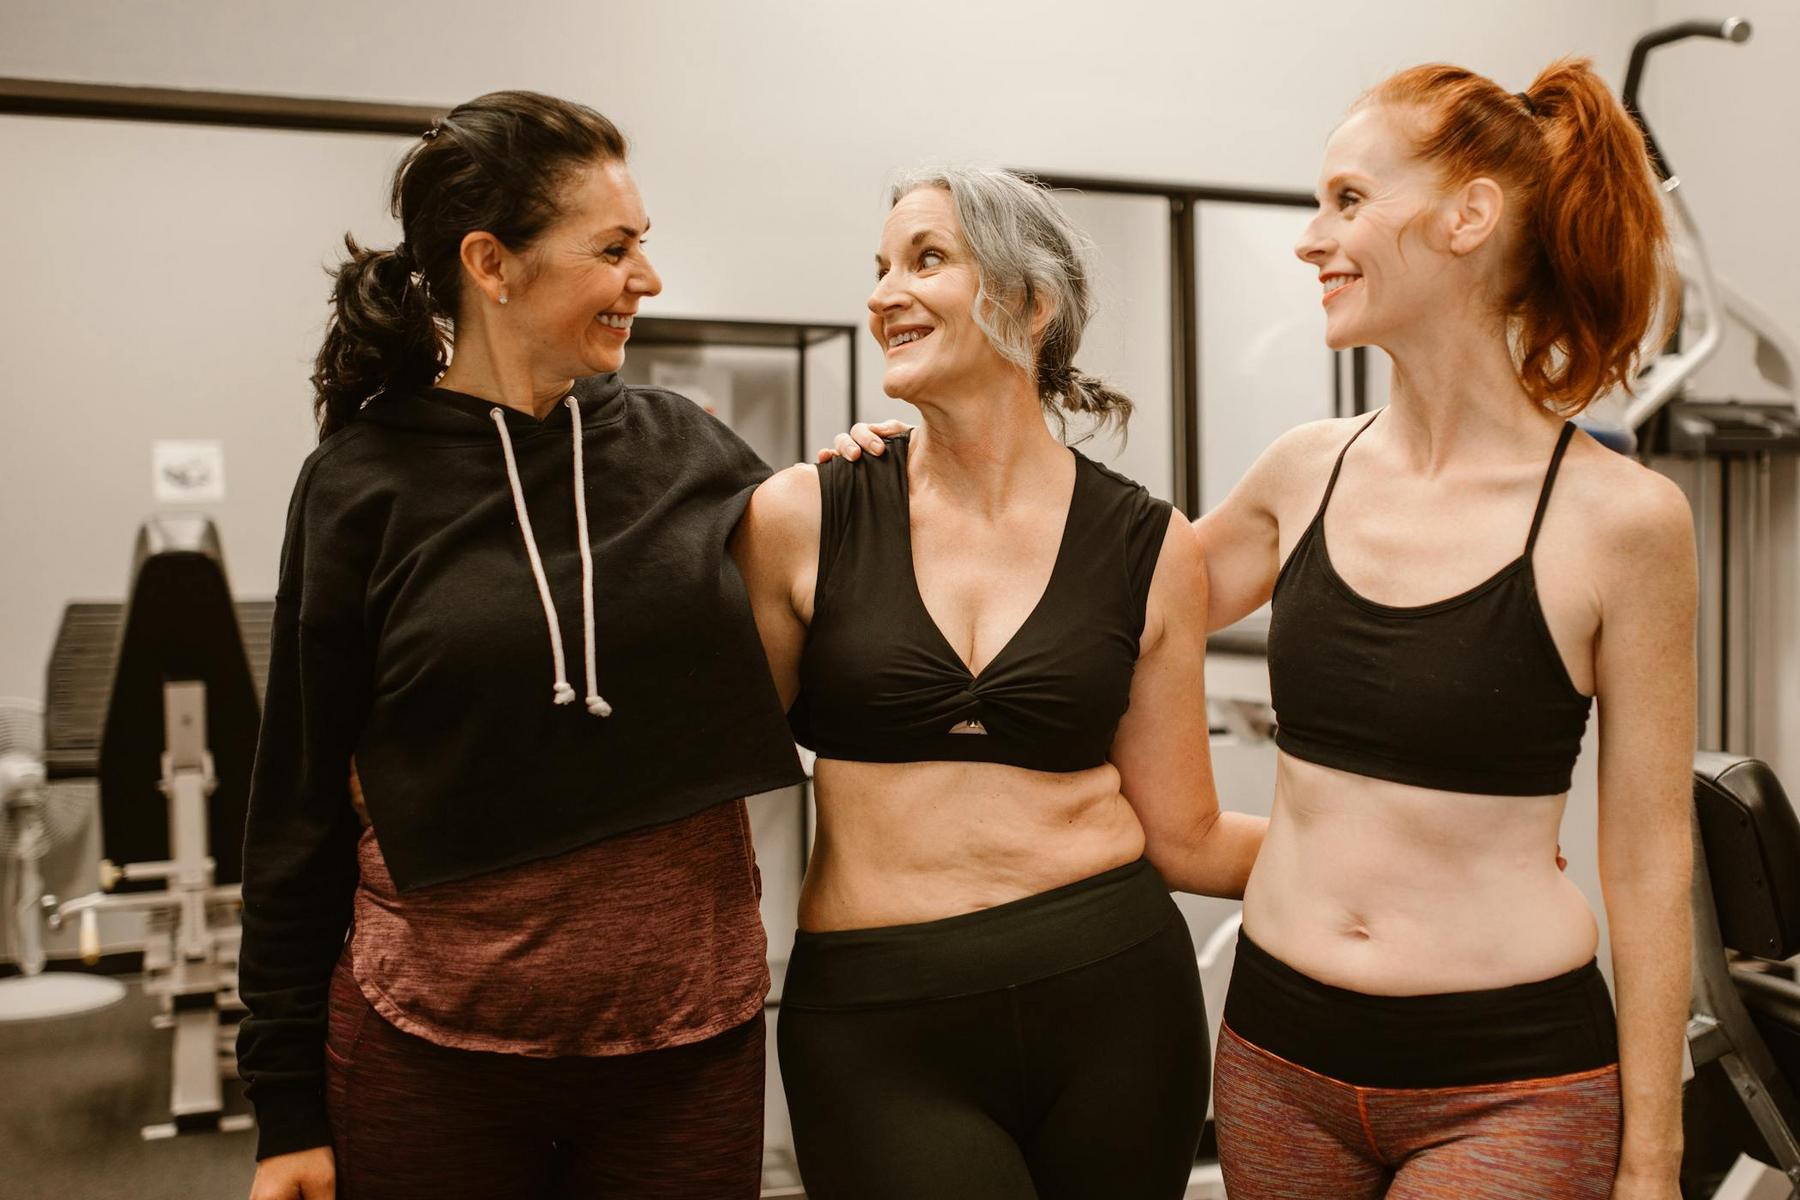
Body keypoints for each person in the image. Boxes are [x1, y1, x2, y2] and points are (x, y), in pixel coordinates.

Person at [238, 90, 804, 1200]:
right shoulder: (361, 484)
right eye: (614, 249)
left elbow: (824, 626)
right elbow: (296, 799)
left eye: (644, 244)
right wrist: (284, 1106)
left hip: (689, 1044)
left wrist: (873, 484)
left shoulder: (687, 447)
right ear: (491, 264)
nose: (647, 278)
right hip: (432, 1049)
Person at [1195, 59, 1693, 1198]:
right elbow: (1110, 598)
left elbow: (1650, 857)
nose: (1311, 239)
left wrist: (1655, 1160)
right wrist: (931, 460)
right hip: (1276, 1058)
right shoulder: (1302, 472)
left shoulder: (1624, 521)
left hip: (1508, 1084)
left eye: (1348, 200)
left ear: (1469, 216)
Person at [733, 166, 1263, 1200]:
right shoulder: (802, 515)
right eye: (881, 267)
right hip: (880, 1019)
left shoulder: (1151, 543)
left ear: (1029, 300)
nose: (884, 294)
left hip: (1115, 996)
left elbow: (1187, 834)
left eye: (925, 259)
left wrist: (1404, 866)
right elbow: (710, 774)